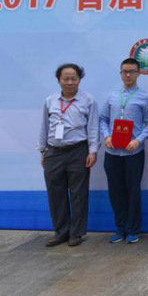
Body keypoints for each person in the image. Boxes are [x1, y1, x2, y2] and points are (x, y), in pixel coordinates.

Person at [37, 63, 99, 247]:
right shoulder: (50, 100)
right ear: (59, 80)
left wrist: (93, 151)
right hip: (53, 152)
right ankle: (61, 232)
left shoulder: (88, 100)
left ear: (79, 80)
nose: (70, 82)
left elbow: (93, 127)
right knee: (55, 194)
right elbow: (44, 126)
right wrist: (43, 150)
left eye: (74, 78)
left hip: (78, 151)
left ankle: (76, 233)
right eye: (66, 79)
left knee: (78, 194)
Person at [99, 58, 148, 244]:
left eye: (132, 71)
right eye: (124, 72)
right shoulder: (112, 96)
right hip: (112, 153)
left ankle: (132, 230)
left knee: (133, 191)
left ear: (139, 73)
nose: (128, 75)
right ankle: (120, 228)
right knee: (115, 192)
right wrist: (107, 136)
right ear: (120, 73)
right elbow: (103, 119)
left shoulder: (145, 98)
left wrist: (138, 140)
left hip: (133, 153)